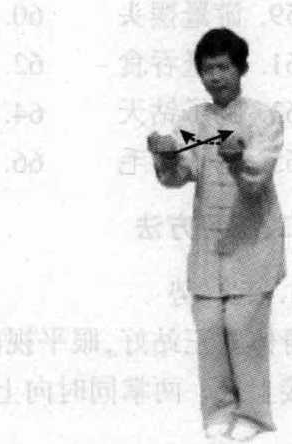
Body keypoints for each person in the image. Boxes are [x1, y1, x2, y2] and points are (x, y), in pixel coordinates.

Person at [146, 28, 284, 442]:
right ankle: (219, 410)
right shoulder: (194, 121)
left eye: (224, 67)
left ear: (241, 68)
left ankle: (254, 415)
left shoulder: (263, 118)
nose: (216, 77)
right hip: (209, 245)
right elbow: (180, 173)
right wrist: (166, 155)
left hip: (252, 241)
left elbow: (259, 175)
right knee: (208, 327)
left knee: (243, 327)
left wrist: (240, 158)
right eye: (208, 70)